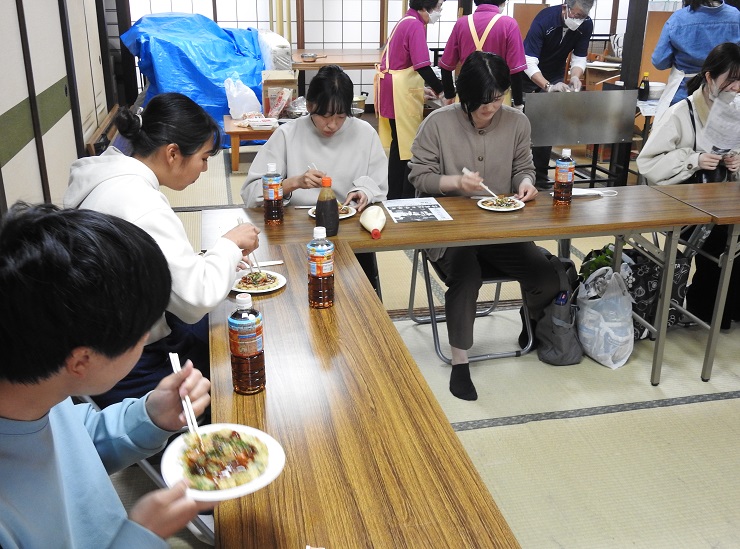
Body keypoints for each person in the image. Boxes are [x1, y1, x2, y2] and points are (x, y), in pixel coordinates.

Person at [0, 203, 213, 548]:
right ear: (82, 361)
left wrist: (148, 416)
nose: (147, 339)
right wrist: (138, 536)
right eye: (142, 333)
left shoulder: (36, 391)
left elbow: (77, 445)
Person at [64, 92, 260, 408]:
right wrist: (229, 244)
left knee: (222, 326)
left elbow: (153, 266)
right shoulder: (140, 204)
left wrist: (211, 259)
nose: (205, 169)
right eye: (205, 158)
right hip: (127, 363)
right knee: (235, 352)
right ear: (172, 153)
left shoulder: (108, 177)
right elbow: (196, 298)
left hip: (100, 343)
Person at [408, 51, 560, 401]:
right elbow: (419, 176)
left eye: (498, 100)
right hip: (450, 230)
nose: (492, 110)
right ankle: (460, 361)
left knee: (545, 273)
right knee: (466, 276)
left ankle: (530, 318)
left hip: (500, 227)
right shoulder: (438, 123)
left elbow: (525, 166)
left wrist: (525, 182)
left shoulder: (517, 122)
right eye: (483, 105)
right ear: (465, 98)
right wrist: (454, 184)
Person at [241, 65, 388, 292]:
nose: (333, 125)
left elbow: (379, 185)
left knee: (361, 299)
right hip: (296, 235)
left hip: (349, 234)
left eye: (341, 116)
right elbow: (250, 194)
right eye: (325, 116)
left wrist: (364, 191)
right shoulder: (287, 134)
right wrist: (292, 183)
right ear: (309, 106)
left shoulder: (365, 132)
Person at [637, 42, 740, 328]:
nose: (736, 88)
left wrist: (736, 161)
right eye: (730, 80)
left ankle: (729, 308)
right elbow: (648, 164)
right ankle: (707, 311)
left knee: (731, 234)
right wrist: (693, 160)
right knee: (721, 239)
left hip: (722, 197)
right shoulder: (681, 112)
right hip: (681, 202)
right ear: (709, 77)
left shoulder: (737, 109)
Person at [375, 0, 448, 200]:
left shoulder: (405, 20)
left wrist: (422, 90)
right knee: (407, 146)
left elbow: (402, 63)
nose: (439, 11)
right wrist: (442, 92)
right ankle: (403, 196)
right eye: (438, 6)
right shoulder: (414, 24)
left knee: (399, 144)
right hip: (398, 91)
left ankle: (395, 194)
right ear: (425, 7)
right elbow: (422, 66)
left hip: (394, 87)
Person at [522, 0, 595, 188]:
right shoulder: (544, 19)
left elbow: (579, 57)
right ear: (565, 7)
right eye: (577, 15)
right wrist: (547, 86)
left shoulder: (586, 25)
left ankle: (539, 178)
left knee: (546, 128)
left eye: (583, 17)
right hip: (526, 75)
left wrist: (576, 77)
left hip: (555, 73)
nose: (579, 20)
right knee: (521, 128)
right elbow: (528, 61)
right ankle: (516, 175)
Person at [651, 0, 739, 119]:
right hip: (724, 96)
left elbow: (659, 61)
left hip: (683, 94)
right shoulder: (736, 17)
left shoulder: (679, 19)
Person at [438, 0, 526, 109]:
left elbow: (446, 66)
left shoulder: (461, 23)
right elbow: (516, 70)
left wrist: (449, 95)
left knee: (465, 124)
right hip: (497, 96)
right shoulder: (509, 24)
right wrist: (518, 103)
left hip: (467, 93)